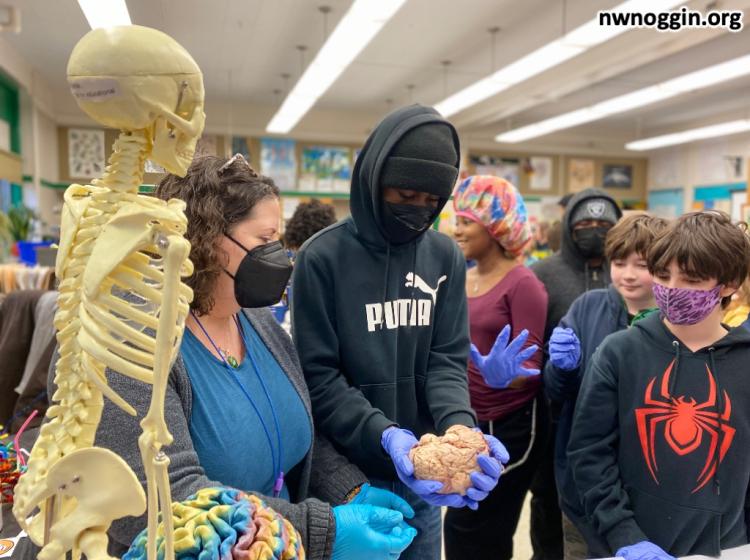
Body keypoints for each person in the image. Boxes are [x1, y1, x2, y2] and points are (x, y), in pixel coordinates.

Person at [22, 155, 418, 560]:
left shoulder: (254, 319)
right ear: (207, 238)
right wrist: (322, 533)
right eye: (264, 241)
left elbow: (296, 429)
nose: (280, 257)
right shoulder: (126, 343)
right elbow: (167, 500)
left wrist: (349, 489)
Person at [291, 105, 509, 560]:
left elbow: (446, 361)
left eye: (433, 202)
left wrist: (460, 433)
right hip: (349, 480)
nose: (418, 211)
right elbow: (320, 377)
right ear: (374, 180)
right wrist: (385, 436)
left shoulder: (445, 256)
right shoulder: (321, 258)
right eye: (406, 194)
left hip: (423, 480)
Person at [568, 211, 750, 559]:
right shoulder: (620, 352)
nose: (673, 289)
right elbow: (590, 455)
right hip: (627, 544)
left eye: (692, 279)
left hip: (727, 547)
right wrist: (625, 535)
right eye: (664, 275)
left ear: (729, 285)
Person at [544, 213, 668, 559]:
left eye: (641, 265)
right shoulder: (588, 307)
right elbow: (556, 393)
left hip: (651, 484)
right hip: (583, 483)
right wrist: (561, 368)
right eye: (618, 262)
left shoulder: (676, 322)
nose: (627, 275)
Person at [443, 176, 549, 560]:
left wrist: (504, 375)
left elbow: (531, 367)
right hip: (468, 418)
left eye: (467, 220)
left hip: (511, 424)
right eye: (456, 218)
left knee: (480, 526)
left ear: (496, 226)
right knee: (460, 524)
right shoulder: (461, 276)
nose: (457, 228)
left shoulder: (524, 284)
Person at [529, 188, 623, 559]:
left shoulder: (634, 276)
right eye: (585, 223)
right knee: (549, 505)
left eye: (604, 225)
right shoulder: (543, 275)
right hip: (554, 416)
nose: (594, 230)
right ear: (569, 227)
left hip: (617, 421)